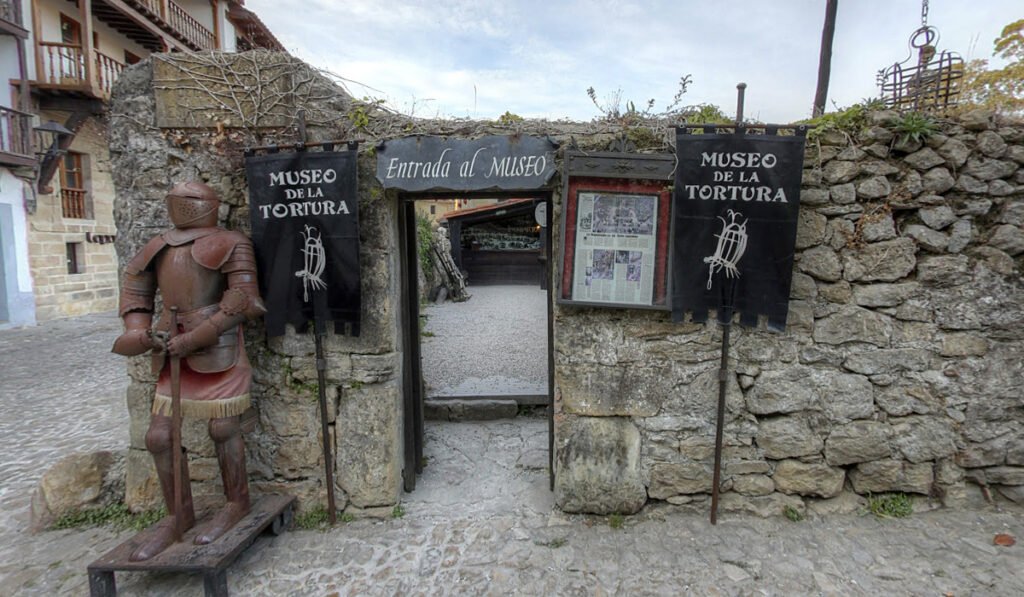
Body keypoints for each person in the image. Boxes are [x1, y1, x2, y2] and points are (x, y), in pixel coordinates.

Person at [112, 181, 266, 561]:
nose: (179, 205)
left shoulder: (231, 242)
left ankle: (237, 502)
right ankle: (178, 515)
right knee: (159, 436)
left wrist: (198, 336)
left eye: (188, 200)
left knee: (224, 427)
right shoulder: (159, 245)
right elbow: (136, 291)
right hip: (169, 347)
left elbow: (245, 302)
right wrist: (140, 332)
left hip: (218, 346)